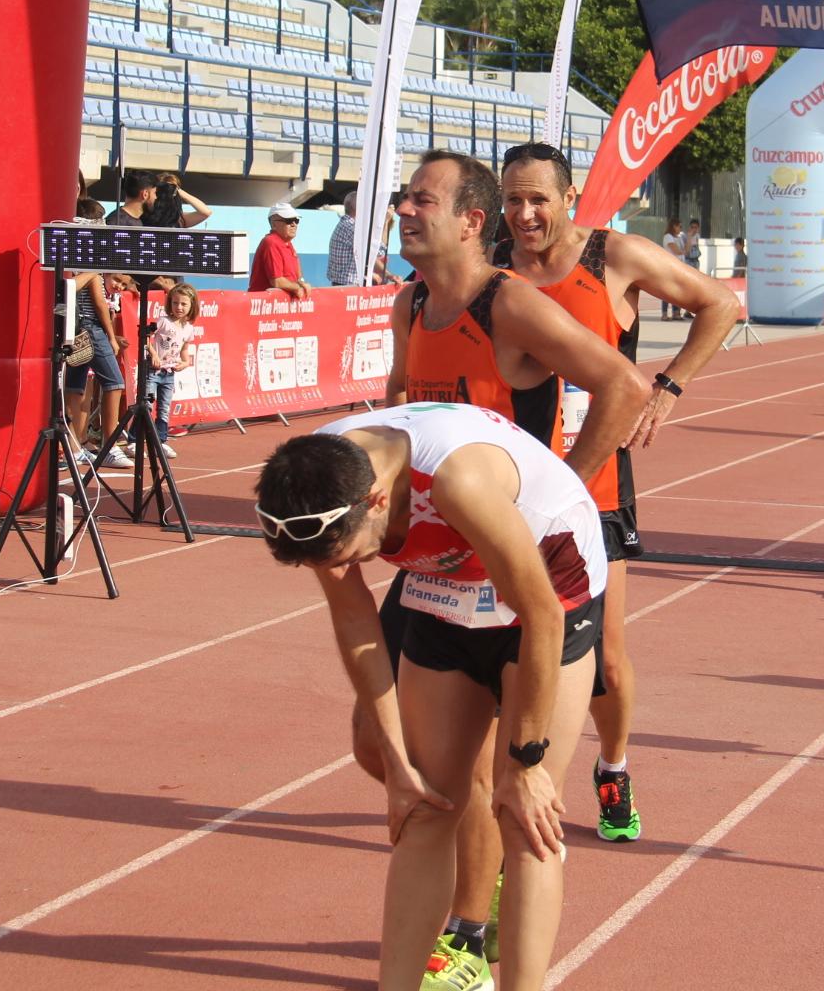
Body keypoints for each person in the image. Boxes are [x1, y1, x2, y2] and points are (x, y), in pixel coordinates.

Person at [380, 149, 647, 988]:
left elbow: (624, 386)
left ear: (471, 220)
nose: (403, 210)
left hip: (532, 585)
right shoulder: (409, 303)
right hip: (441, 580)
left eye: (421, 200)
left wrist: (556, 495)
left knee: (522, 800)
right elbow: (399, 404)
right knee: (411, 780)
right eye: (403, 198)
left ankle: (489, 946)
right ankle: (457, 932)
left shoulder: (511, 305)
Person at [255, 401, 606, 991]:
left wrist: (526, 763)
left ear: (375, 501)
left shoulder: (458, 479)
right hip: (447, 589)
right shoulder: (316, 479)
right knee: (425, 807)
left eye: (353, 555)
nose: (352, 567)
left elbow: (541, 615)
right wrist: (397, 765)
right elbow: (356, 621)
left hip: (548, 588)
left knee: (524, 819)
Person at [496, 141, 739, 845]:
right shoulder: (494, 270)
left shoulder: (614, 257)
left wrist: (667, 387)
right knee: (506, 650)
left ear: (569, 198)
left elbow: (720, 303)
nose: (525, 213)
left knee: (603, 658)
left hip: (594, 489)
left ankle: (613, 765)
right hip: (508, 489)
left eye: (538, 199)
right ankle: (512, 789)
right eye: (512, 199)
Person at [64, 271, 135, 469]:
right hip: (89, 327)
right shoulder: (95, 275)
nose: (120, 286)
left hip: (79, 328)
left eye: (124, 284)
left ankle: (74, 448)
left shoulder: (95, 279)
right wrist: (111, 337)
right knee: (115, 383)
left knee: (75, 388)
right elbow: (100, 304)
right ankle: (110, 447)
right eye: (117, 280)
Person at [145, 281, 198, 461]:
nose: (179, 307)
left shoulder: (188, 328)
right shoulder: (164, 321)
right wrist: (153, 354)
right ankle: (134, 440)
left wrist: (185, 362)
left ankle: (160, 441)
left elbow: (184, 349)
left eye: (183, 304)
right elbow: (147, 337)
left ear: (191, 306)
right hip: (153, 371)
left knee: (164, 408)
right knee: (146, 405)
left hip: (169, 374)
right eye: (175, 303)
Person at [249, 202, 311, 299]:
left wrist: (301, 282)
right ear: (274, 224)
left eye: (296, 220)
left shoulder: (288, 243)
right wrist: (297, 287)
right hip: (265, 304)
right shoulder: (271, 242)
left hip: (281, 304)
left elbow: (297, 275)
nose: (294, 224)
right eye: (288, 220)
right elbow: (277, 281)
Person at [331, 203, 397, 286]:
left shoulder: (347, 224)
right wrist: (386, 221)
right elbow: (377, 254)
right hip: (350, 285)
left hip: (346, 283)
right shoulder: (353, 227)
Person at [660, 218, 685, 319]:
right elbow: (677, 251)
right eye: (679, 226)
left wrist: (690, 238)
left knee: (676, 291)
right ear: (674, 226)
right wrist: (683, 251)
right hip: (669, 267)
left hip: (678, 267)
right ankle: (664, 313)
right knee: (667, 291)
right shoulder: (668, 237)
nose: (680, 229)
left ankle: (676, 312)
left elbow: (684, 251)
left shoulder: (679, 237)